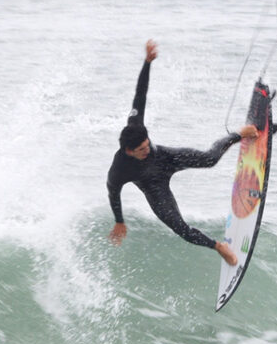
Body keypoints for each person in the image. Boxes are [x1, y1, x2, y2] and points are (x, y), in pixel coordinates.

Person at [106, 40, 261, 266]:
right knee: (181, 229)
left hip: (167, 159)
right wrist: (119, 221)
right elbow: (113, 192)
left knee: (210, 159)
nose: (146, 150)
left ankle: (238, 135)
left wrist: (147, 62)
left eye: (147, 144)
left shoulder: (136, 125)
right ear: (129, 151)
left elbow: (140, 94)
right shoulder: (119, 169)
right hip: (153, 186)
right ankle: (219, 247)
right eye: (141, 150)